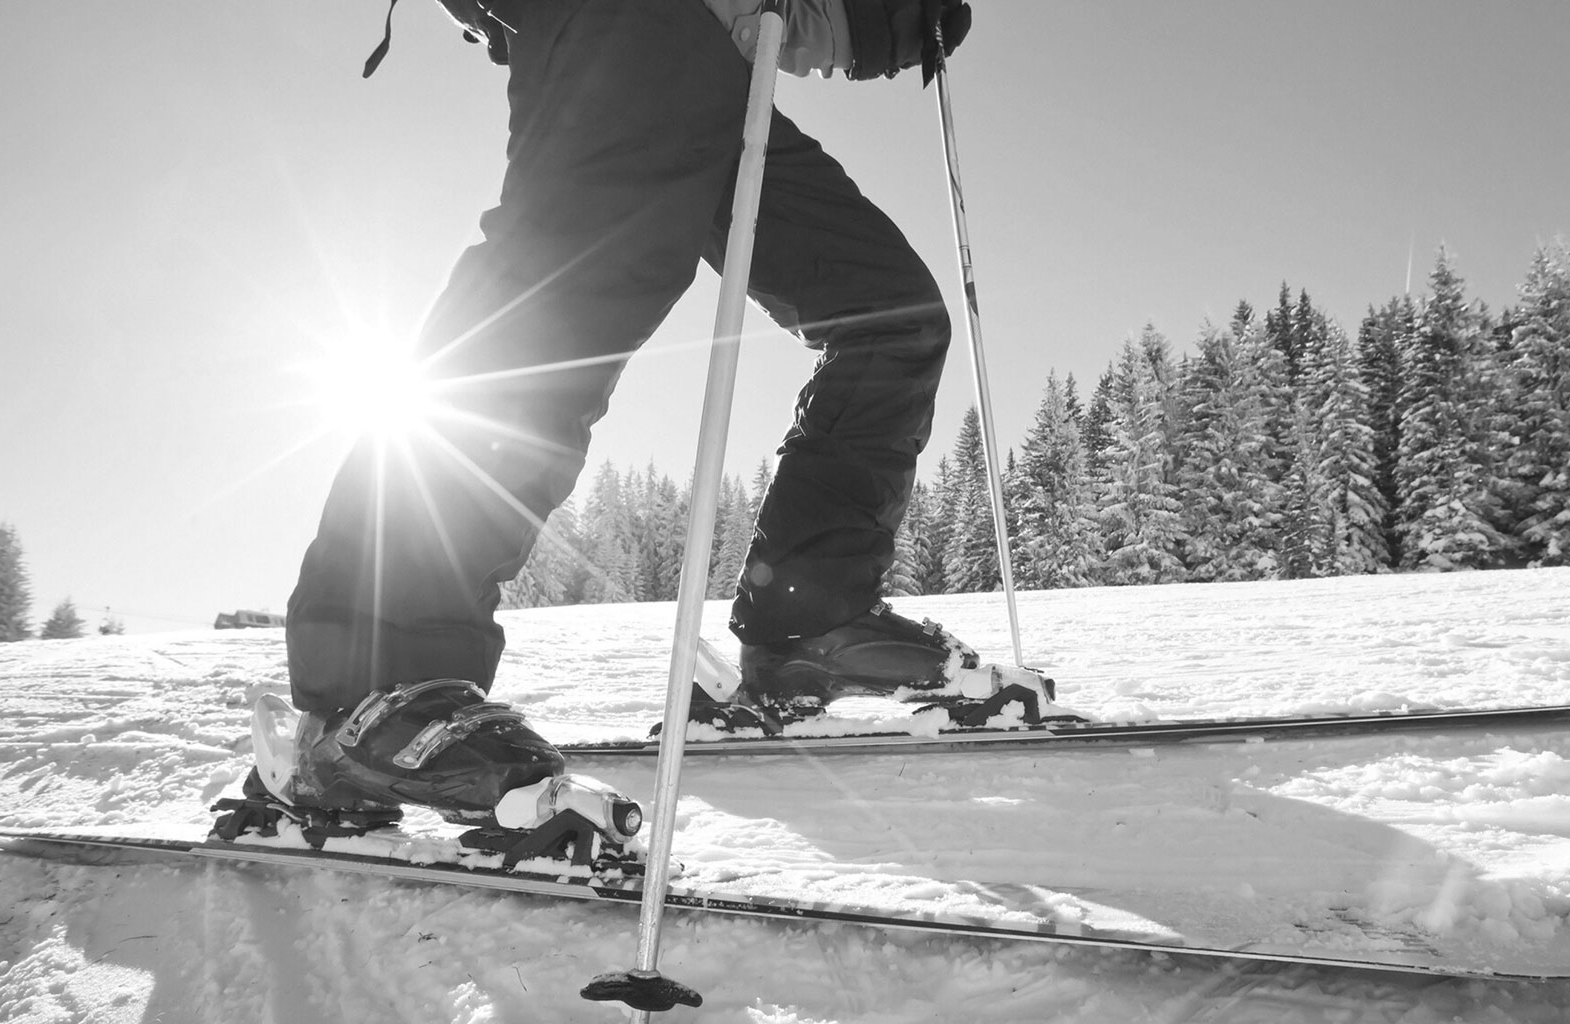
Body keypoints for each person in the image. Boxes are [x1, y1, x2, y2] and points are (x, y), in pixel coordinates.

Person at [242, 0, 1052, 834]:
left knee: (890, 316)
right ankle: (372, 689)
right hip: (628, 26)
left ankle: (810, 617)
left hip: (730, 60)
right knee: (559, 306)